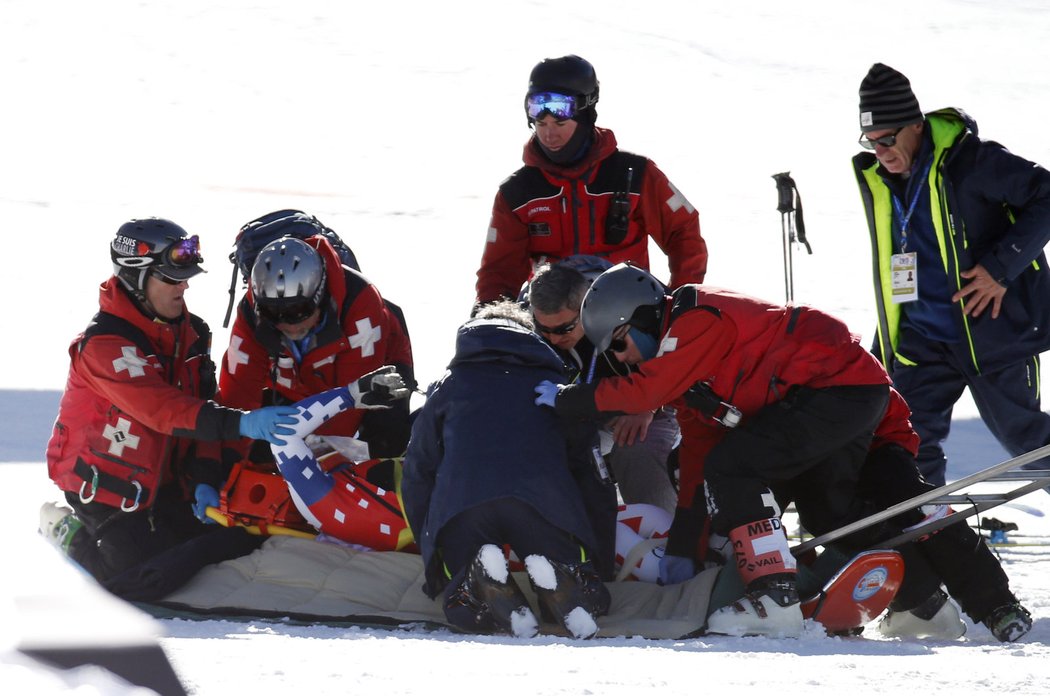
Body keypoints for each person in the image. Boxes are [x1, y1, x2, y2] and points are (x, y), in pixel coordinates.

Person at [534, 262, 1032, 641]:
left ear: (639, 317)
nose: (624, 360)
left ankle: (776, 596)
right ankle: (924, 605)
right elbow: (697, 462)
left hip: (849, 398)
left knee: (891, 491)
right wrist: (684, 548)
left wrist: (569, 398)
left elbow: (644, 391)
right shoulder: (685, 377)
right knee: (825, 507)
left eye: (620, 344)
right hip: (820, 412)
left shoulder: (694, 319)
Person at [42, 218, 298, 586]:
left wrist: (205, 479)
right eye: (172, 279)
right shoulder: (104, 346)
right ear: (136, 279)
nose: (185, 285)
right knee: (136, 577)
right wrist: (243, 422)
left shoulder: (191, 334)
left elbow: (202, 409)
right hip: (108, 491)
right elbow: (163, 410)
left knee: (235, 538)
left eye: (185, 277)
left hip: (167, 482)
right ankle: (68, 533)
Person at [853, 63, 1050, 486]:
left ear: (916, 126)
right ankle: (933, 537)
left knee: (1029, 444)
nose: (880, 151)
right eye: (870, 141)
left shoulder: (972, 162)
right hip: (922, 340)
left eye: (887, 138)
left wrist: (1001, 268)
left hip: (992, 334)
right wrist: (885, 345)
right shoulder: (882, 180)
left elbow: (1046, 196)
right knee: (904, 445)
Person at [401, 301, 615, 639]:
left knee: (460, 594)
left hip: (463, 505)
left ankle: (474, 580)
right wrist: (599, 562)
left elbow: (416, 471)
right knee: (583, 582)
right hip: (542, 504)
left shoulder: (449, 385)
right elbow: (593, 472)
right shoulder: (555, 384)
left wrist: (432, 559)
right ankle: (565, 575)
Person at [474, 54, 708, 307]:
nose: (549, 133)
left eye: (560, 121)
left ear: (586, 114)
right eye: (540, 123)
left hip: (626, 316)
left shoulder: (634, 174)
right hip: (551, 320)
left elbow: (683, 232)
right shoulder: (518, 193)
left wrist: (681, 302)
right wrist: (490, 320)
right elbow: (498, 272)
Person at [218, 230, 415, 460]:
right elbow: (236, 398)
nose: (288, 324)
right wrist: (223, 464)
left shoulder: (361, 304)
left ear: (320, 296)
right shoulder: (250, 316)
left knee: (382, 446)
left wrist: (310, 456)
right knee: (258, 452)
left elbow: (348, 413)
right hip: (297, 384)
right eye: (274, 314)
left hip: (374, 377)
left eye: (298, 311)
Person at [527, 256, 678, 513]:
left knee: (637, 444)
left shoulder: (631, 304)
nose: (552, 339)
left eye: (564, 329)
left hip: (640, 399)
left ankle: (661, 535)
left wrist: (648, 408)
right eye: (544, 330)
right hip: (572, 406)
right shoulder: (527, 324)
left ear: (587, 309)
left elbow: (676, 361)